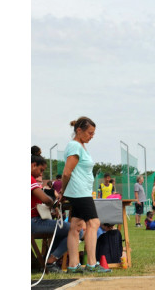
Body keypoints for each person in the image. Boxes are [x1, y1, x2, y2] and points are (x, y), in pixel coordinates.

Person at [58, 116, 111, 273]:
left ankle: (73, 266)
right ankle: (92, 264)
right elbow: (67, 173)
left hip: (81, 191)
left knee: (75, 226)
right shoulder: (75, 146)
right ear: (79, 130)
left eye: (93, 133)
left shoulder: (80, 145)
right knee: (94, 223)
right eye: (90, 133)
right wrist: (62, 191)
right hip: (79, 191)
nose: (92, 136)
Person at [31, 154, 73, 273]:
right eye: (41, 170)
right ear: (34, 165)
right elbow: (46, 199)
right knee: (74, 230)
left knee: (63, 231)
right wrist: (54, 203)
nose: (41, 174)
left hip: (34, 220)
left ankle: (46, 261)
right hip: (33, 222)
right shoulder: (29, 178)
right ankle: (50, 261)